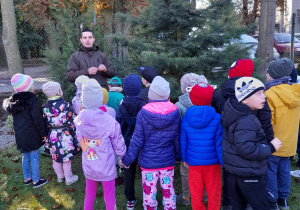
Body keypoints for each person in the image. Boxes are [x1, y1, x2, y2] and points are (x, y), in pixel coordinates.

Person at [211, 59, 274, 210]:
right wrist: (269, 144)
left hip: (229, 147)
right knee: (254, 185)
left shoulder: (220, 95)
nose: (262, 97)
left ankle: (228, 203)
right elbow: (265, 121)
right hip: (253, 150)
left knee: (231, 177)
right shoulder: (256, 99)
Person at [120, 76, 181, 210]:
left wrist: (127, 160)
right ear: (167, 94)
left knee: (149, 192)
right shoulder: (175, 111)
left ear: (151, 94)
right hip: (167, 161)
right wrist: (178, 157)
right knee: (168, 189)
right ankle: (170, 207)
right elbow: (177, 137)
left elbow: (136, 140)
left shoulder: (143, 113)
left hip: (148, 162)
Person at [222, 77, 282, 210]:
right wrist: (270, 147)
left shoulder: (236, 113)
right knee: (261, 205)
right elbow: (245, 148)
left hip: (236, 172)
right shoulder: (247, 119)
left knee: (239, 206)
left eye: (263, 92)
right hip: (249, 174)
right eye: (258, 93)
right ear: (244, 99)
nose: (264, 97)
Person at [74, 79, 126, 210]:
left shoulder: (79, 118)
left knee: (89, 194)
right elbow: (118, 140)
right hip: (106, 166)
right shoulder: (109, 120)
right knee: (109, 196)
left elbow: (80, 139)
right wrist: (122, 155)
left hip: (89, 165)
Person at [264, 58, 300, 210]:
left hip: (273, 141)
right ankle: (283, 200)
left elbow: (267, 120)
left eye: (268, 71)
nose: (266, 74)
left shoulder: (269, 93)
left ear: (273, 75)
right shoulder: (295, 92)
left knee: (270, 171)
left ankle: (272, 200)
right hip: (289, 142)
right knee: (284, 170)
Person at [181, 83, 223, 210]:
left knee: (195, 192)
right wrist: (223, 162)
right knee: (214, 191)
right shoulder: (217, 117)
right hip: (213, 163)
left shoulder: (186, 118)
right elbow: (219, 143)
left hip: (193, 163)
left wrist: (184, 159)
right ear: (210, 99)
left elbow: (183, 141)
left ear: (192, 99)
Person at [3, 74, 48, 188]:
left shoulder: (14, 103)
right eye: (31, 84)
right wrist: (44, 133)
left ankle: (27, 178)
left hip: (20, 135)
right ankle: (36, 180)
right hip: (31, 134)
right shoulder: (31, 101)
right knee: (34, 156)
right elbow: (38, 119)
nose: (33, 86)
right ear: (28, 88)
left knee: (25, 156)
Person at [175, 73, 208, 206]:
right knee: (204, 171)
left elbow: (177, 128)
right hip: (205, 145)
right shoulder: (206, 102)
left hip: (187, 146)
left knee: (185, 172)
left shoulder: (178, 105)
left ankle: (186, 197)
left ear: (183, 89)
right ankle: (205, 196)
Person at [116, 74, 146, 210]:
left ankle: (130, 199)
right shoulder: (143, 105)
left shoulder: (120, 107)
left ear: (124, 89)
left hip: (127, 144)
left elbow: (118, 125)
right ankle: (148, 195)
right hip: (142, 144)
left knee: (128, 171)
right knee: (146, 171)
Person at [42, 81, 79, 185]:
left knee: (55, 157)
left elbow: (44, 122)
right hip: (65, 134)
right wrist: (75, 133)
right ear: (58, 91)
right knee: (66, 158)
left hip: (52, 134)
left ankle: (60, 177)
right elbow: (71, 120)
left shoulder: (45, 107)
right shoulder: (66, 105)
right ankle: (69, 178)